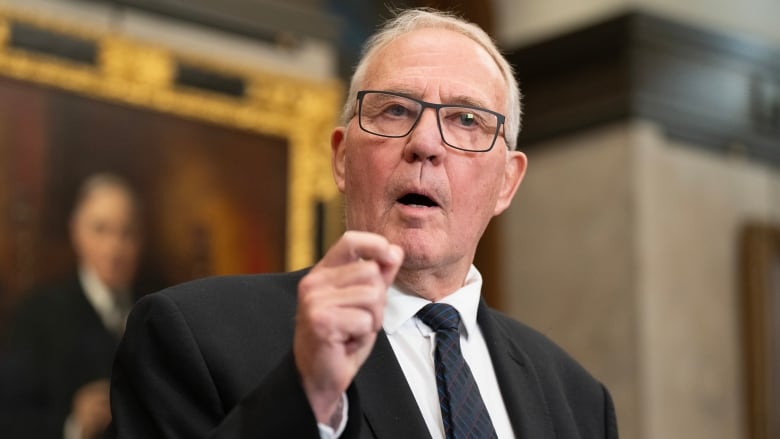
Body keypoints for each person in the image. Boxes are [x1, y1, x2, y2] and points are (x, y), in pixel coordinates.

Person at [109, 8, 618, 439]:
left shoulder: (577, 401)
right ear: (340, 159)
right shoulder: (192, 336)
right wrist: (307, 393)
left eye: (467, 120)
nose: (426, 144)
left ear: (507, 181)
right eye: (395, 110)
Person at [0, 173, 144, 439]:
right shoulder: (38, 313)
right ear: (76, 231)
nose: (114, 248)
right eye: (100, 229)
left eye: (127, 233)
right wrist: (73, 426)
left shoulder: (154, 308)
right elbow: (8, 417)